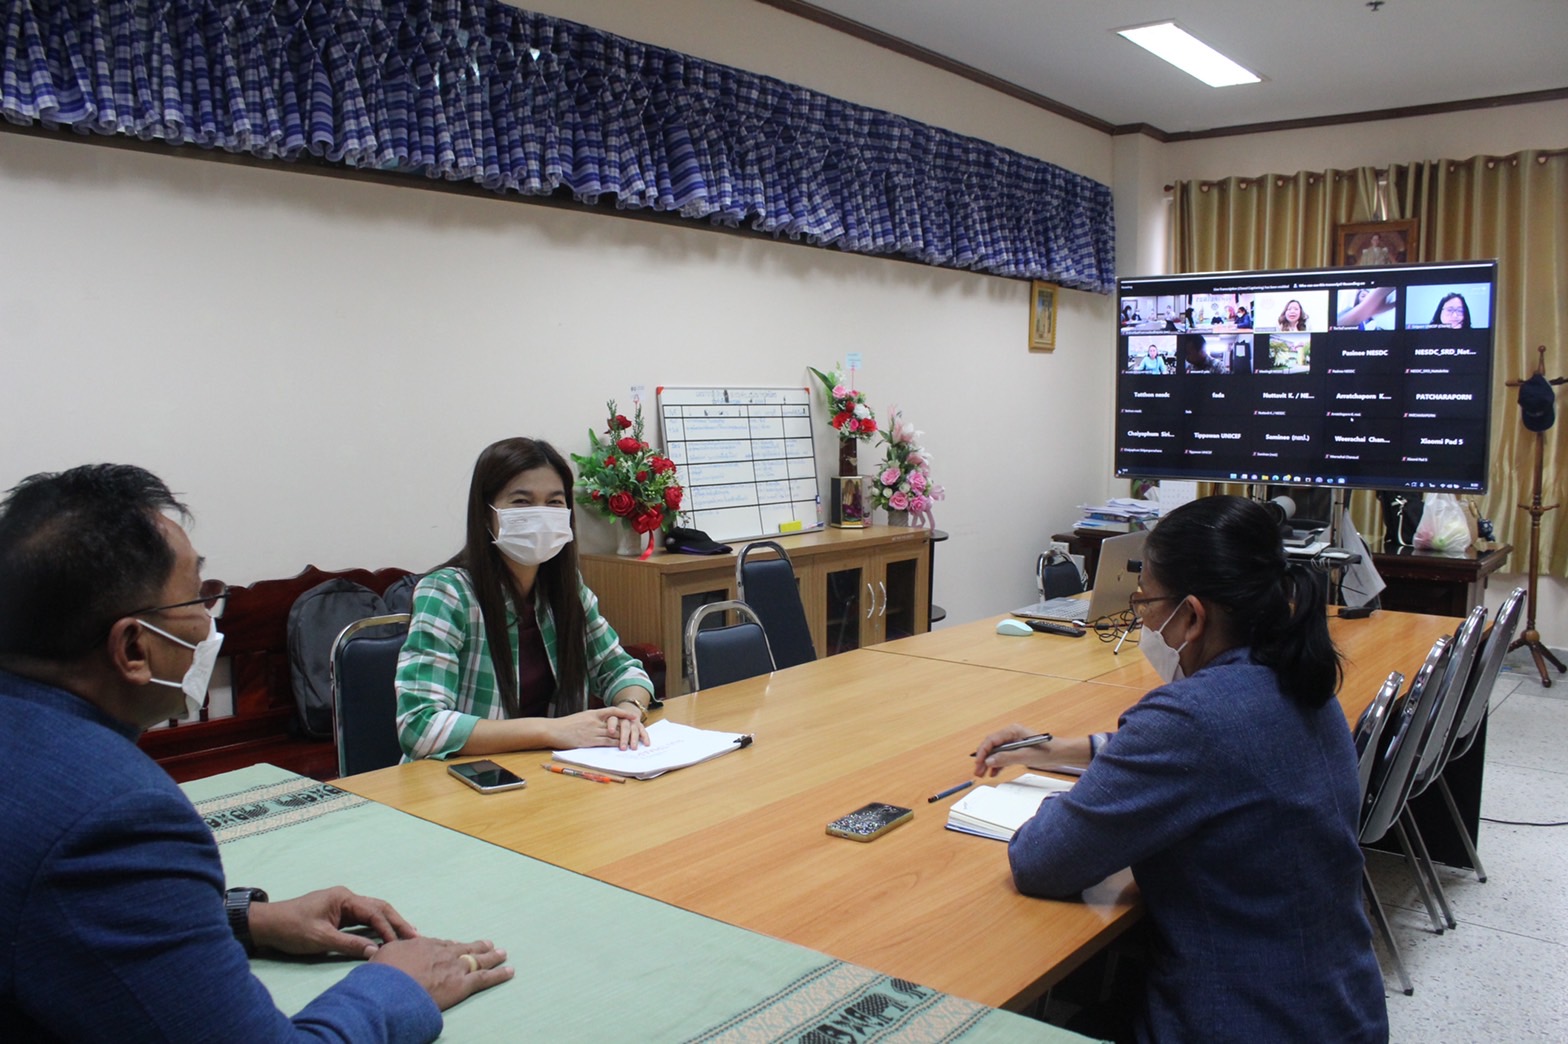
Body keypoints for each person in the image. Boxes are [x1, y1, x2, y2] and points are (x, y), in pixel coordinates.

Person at [0, 464, 511, 1041]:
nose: (208, 622)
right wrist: (397, 986)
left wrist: (247, 918)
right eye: (198, 597)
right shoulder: (115, 815)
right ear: (134, 648)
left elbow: (65, 908)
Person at [971, 496, 1388, 1042]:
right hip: (1336, 1012)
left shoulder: (1189, 719)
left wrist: (1081, 798)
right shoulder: (1299, 678)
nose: (1142, 618)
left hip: (1242, 1021)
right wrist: (1054, 752)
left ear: (1191, 615)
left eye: (1145, 603)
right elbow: (1203, 756)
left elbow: (1043, 860)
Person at [397, 437, 656, 761]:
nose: (540, 515)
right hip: (459, 786)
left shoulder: (565, 588)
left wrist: (628, 709)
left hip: (549, 779)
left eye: (554, 502)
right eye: (521, 502)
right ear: (485, 513)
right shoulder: (447, 592)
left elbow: (621, 669)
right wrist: (552, 731)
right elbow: (419, 726)